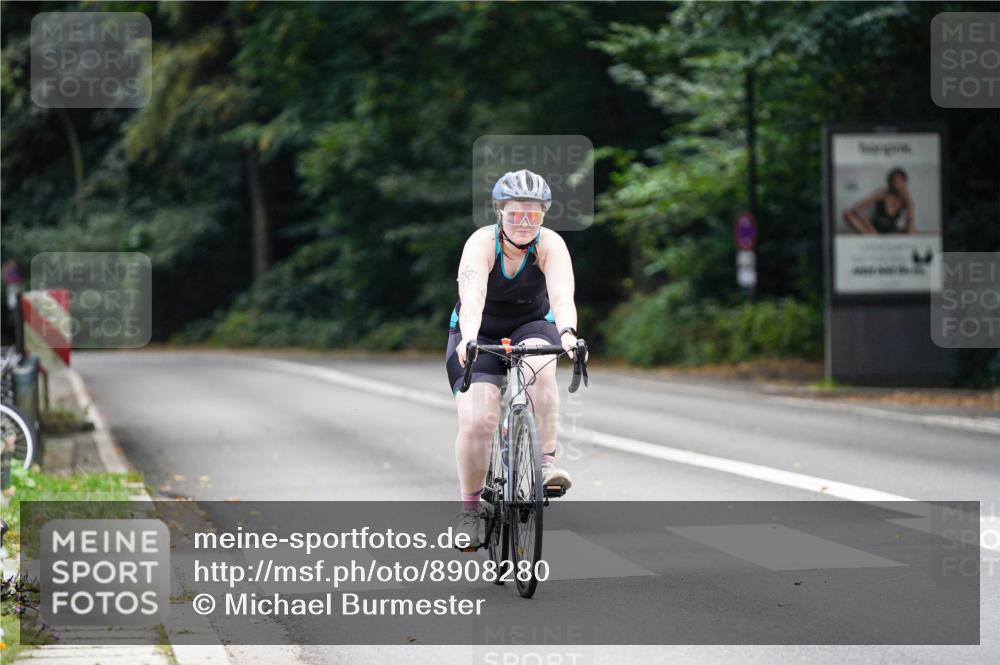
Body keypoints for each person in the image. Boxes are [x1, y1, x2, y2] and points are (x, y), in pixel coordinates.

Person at [445, 169, 578, 548]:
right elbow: (472, 298)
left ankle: (546, 464)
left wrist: (568, 333)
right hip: (478, 331)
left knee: (540, 365)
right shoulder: (481, 243)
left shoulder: (550, 245)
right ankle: (470, 510)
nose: (523, 221)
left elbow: (563, 298)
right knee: (476, 422)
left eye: (533, 214)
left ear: (543, 216)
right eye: (515, 212)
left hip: (532, 323)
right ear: (499, 212)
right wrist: (469, 337)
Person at [843, 167, 915, 235]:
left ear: (904, 182)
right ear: (890, 181)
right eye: (894, 179)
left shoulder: (905, 198)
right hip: (874, 230)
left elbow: (910, 220)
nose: (897, 182)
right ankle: (873, 236)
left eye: (900, 179)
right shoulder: (882, 194)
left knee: (912, 230)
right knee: (847, 213)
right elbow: (856, 208)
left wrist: (908, 199)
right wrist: (869, 225)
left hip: (891, 230)